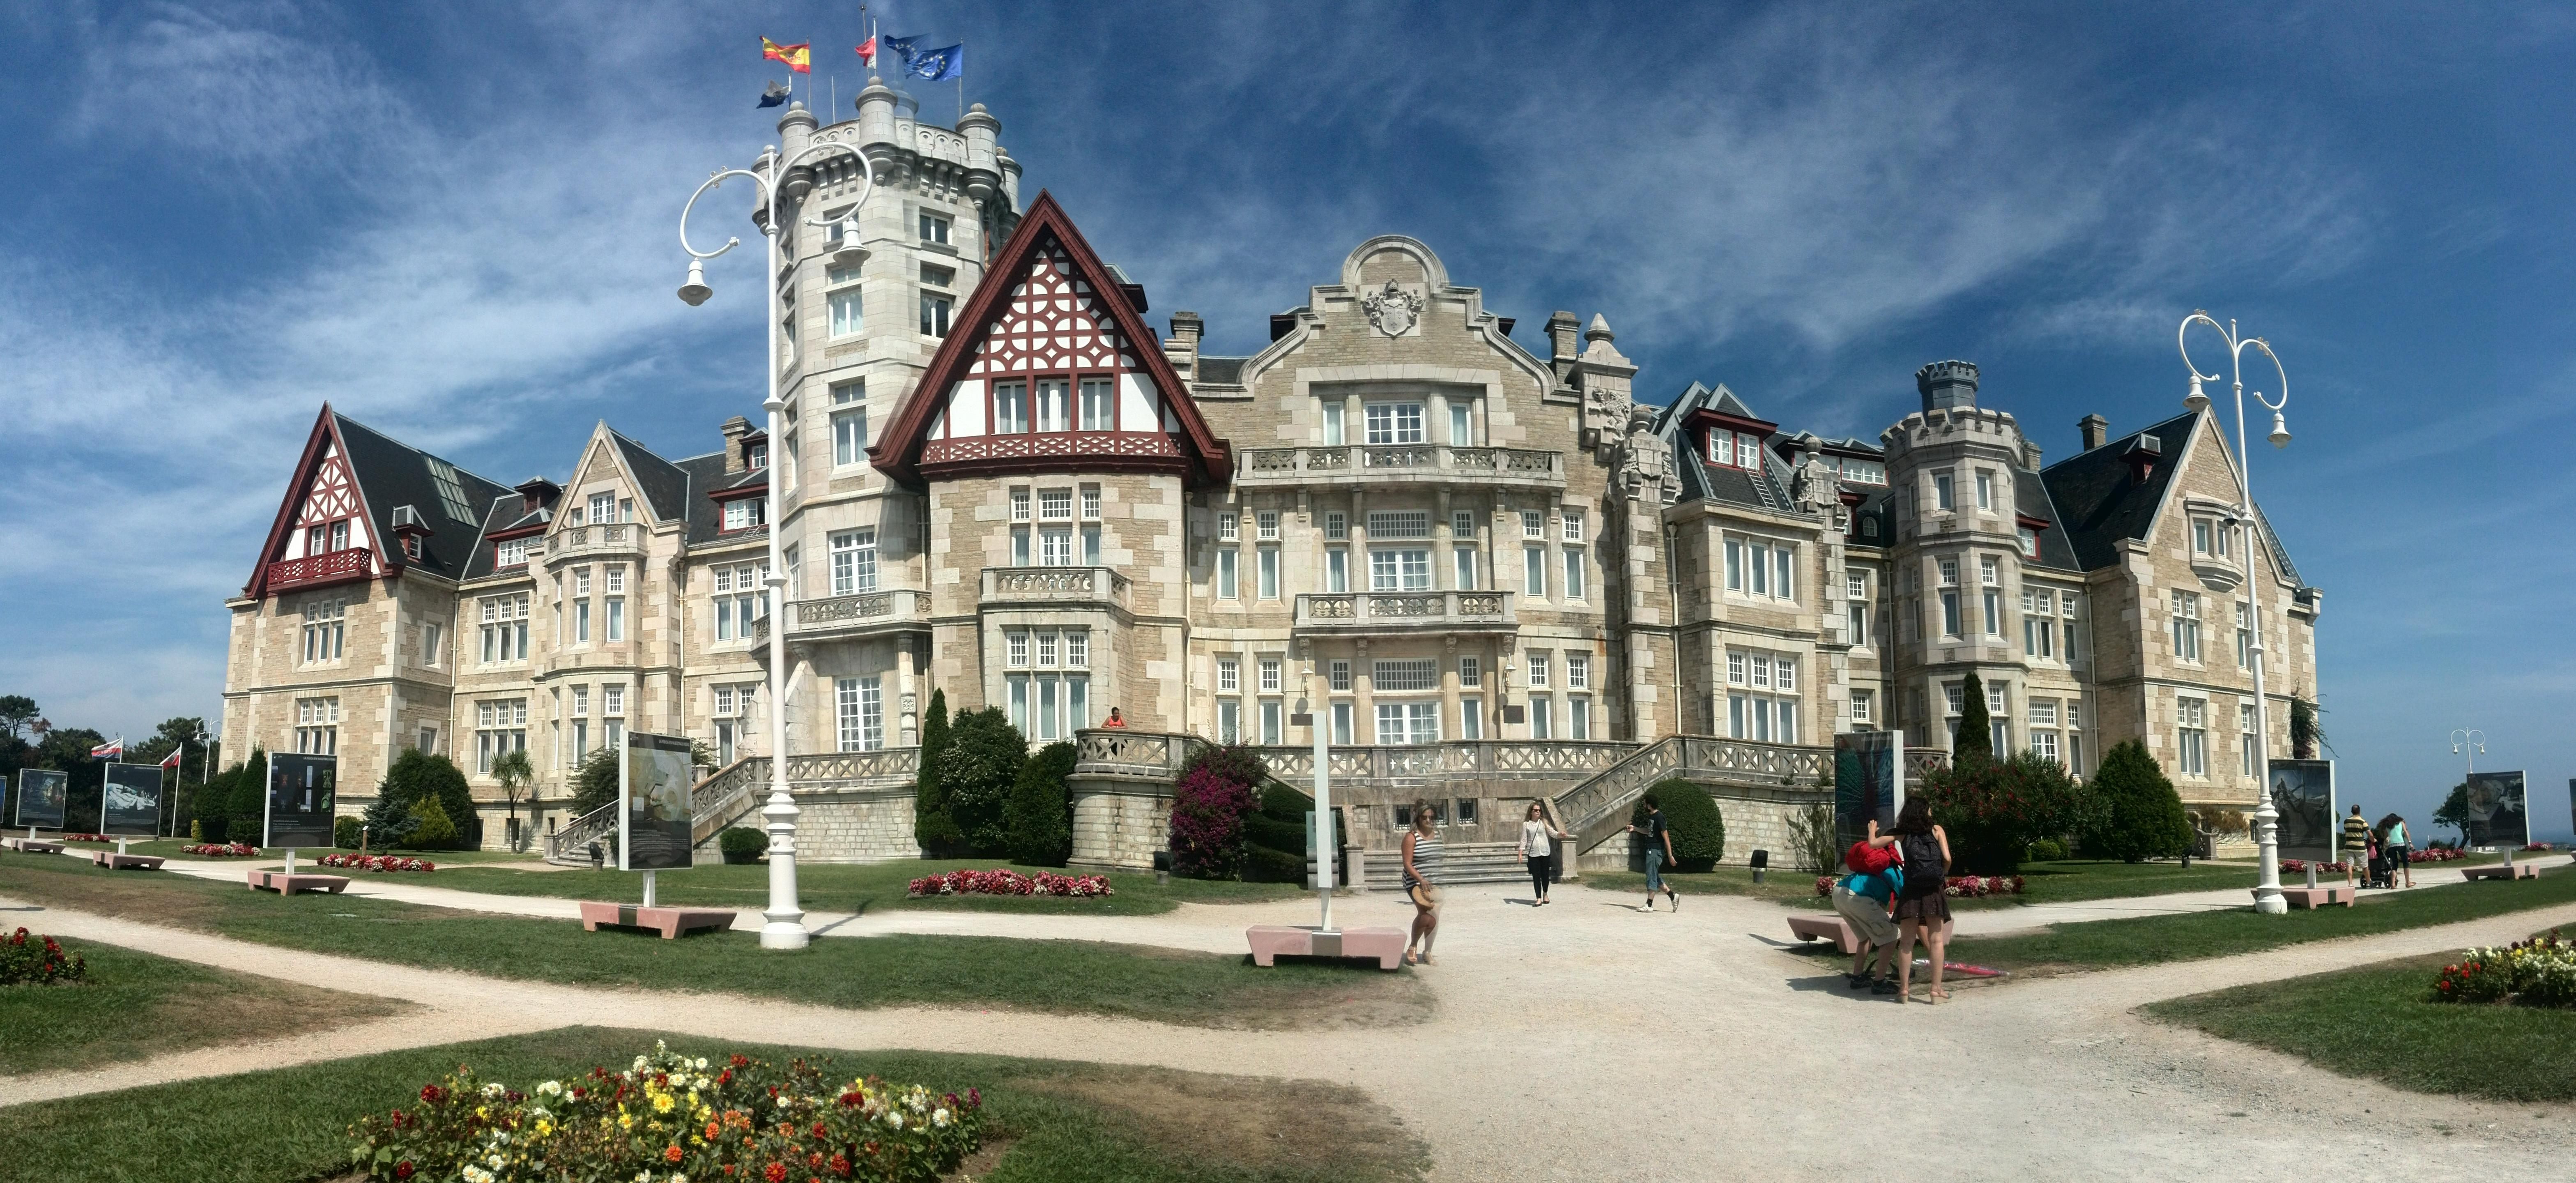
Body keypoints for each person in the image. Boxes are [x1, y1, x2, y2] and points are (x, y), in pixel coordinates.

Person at [1890, 797, 1953, 1004]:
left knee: (1906, 942)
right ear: (1924, 812)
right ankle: (1936, 990)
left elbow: (1874, 843)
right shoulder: (1937, 830)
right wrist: (1941, 874)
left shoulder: (1903, 834)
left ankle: (1905, 991)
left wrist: (1872, 832)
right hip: (1933, 891)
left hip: (1911, 891)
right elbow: (1948, 858)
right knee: (1936, 940)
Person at [1833, 824, 1905, 994]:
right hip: (1856, 897)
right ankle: (1879, 982)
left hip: (1839, 892)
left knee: (1865, 937)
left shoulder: (1880, 867)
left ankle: (1858, 978)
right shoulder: (1897, 875)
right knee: (1892, 936)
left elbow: (1879, 903)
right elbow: (1913, 909)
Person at [1401, 799, 1443, 966]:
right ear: (1418, 818)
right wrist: (1421, 879)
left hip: (1433, 881)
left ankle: (1428, 952)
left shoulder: (1438, 835)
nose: (1428, 821)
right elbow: (1407, 864)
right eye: (1425, 817)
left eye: (1431, 818)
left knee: (1436, 915)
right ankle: (1413, 946)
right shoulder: (1411, 838)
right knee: (1426, 913)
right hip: (1415, 881)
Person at [1626, 793, 1679, 913]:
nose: (1644, 806)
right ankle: (1673, 896)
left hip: (1655, 851)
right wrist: (1635, 829)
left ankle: (1649, 905)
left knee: (1651, 876)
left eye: (1645, 804)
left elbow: (1666, 837)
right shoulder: (1652, 817)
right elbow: (1649, 831)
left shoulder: (1659, 817)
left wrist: (1670, 855)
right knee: (1654, 875)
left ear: (1649, 805)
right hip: (1652, 849)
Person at [1517, 801, 1569, 905]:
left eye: (1539, 810)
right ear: (1531, 812)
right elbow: (1524, 839)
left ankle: (1545, 894)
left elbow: (1552, 832)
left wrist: (1560, 834)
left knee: (1545, 876)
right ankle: (1539, 898)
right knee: (1536, 876)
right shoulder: (1526, 825)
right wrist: (1520, 854)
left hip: (1545, 852)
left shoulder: (1543, 822)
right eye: (1535, 810)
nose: (1538, 812)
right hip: (1533, 854)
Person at [2341, 804, 2371, 886]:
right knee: (2365, 866)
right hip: (2360, 847)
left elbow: (2346, 832)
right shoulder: (2363, 822)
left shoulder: (2346, 821)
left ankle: (2350, 884)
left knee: (2350, 865)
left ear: (2352, 812)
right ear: (2360, 812)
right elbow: (2369, 834)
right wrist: (2373, 840)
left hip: (2349, 846)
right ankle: (2369, 882)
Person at [2380, 812, 2413, 888]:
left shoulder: (2386, 826)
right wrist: (2410, 843)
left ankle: (2393, 884)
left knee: (2395, 865)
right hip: (2401, 844)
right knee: (2406, 863)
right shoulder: (2401, 823)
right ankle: (2408, 882)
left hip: (2391, 845)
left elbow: (2386, 838)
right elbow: (2405, 832)